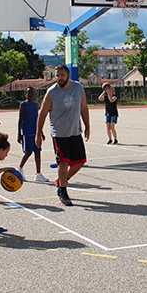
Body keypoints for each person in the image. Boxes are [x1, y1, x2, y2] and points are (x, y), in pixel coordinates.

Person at [35, 65, 90, 207]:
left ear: (68, 75)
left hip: (74, 131)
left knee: (80, 161)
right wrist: (38, 133)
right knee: (63, 162)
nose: (59, 78)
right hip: (59, 133)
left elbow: (84, 108)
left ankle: (61, 180)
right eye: (57, 76)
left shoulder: (78, 88)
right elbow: (42, 113)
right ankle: (62, 191)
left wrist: (87, 126)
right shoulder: (51, 92)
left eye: (62, 75)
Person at [17, 87, 49, 182]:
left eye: (32, 93)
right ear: (25, 95)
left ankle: (38, 174)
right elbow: (20, 119)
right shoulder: (23, 105)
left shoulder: (35, 105)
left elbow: (37, 119)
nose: (30, 95)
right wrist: (19, 133)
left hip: (35, 132)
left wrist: (41, 132)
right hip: (27, 131)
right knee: (28, 151)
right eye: (28, 93)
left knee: (38, 151)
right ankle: (19, 168)